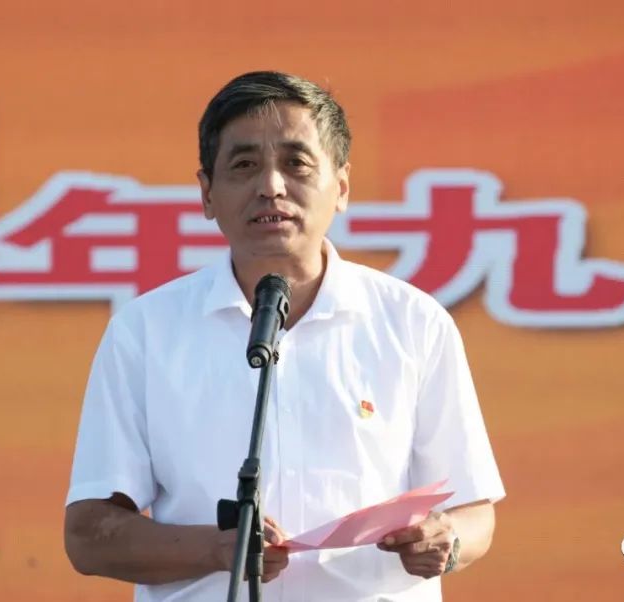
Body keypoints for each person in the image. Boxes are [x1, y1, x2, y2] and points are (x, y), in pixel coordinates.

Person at [64, 71, 505, 601]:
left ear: (341, 187)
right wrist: (216, 549)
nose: (270, 186)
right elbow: (88, 535)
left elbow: (474, 510)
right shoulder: (146, 331)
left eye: (296, 163)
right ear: (206, 193)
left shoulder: (413, 322)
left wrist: (447, 540)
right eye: (244, 165)